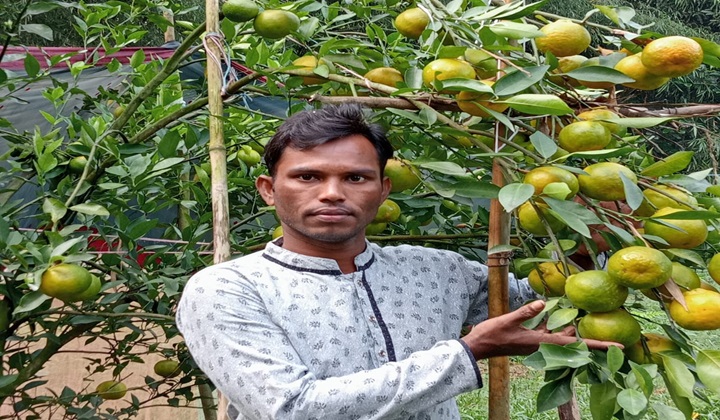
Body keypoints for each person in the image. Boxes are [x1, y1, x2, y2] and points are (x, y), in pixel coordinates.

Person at [176, 103, 620, 420]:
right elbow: (291, 409)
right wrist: (468, 353)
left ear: (383, 190)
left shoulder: (436, 270)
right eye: (308, 176)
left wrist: (590, 245)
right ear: (269, 190)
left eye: (356, 177)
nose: (332, 192)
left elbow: (537, 300)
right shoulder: (227, 289)